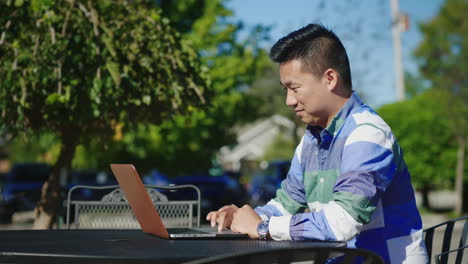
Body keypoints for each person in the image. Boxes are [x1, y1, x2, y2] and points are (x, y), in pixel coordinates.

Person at [207, 23, 428, 263]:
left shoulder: (368, 133)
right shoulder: (310, 142)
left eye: (294, 88)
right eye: (285, 89)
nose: (289, 101)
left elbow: (342, 222)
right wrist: (241, 218)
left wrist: (262, 228)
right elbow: (284, 205)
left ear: (330, 78)